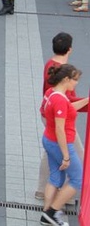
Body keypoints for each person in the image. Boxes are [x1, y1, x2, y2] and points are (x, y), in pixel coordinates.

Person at [35, 33, 87, 201]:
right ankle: (67, 194)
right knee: (77, 154)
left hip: (48, 112)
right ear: (70, 49)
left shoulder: (50, 65)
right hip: (59, 118)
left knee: (50, 151)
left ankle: (43, 190)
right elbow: (68, 103)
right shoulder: (65, 74)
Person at [40, 64, 87, 226]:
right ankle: (52, 212)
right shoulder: (60, 99)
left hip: (49, 139)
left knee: (55, 177)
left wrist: (87, 100)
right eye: (75, 80)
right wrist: (66, 156)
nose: (76, 84)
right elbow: (60, 128)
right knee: (77, 179)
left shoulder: (52, 93)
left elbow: (68, 108)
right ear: (66, 79)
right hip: (59, 143)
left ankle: (47, 214)